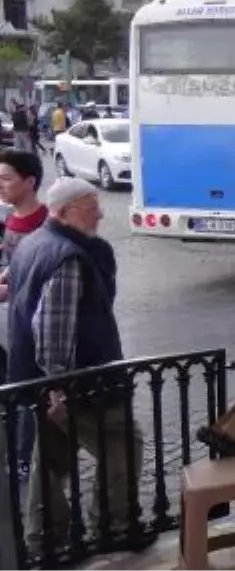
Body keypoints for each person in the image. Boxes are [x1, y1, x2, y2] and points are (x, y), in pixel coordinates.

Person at [6, 177, 146, 552]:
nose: (101, 213)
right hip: (81, 384)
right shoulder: (68, 256)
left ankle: (45, 538)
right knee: (122, 445)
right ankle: (114, 526)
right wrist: (57, 388)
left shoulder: (33, 243)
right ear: (66, 212)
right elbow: (54, 327)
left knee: (50, 459)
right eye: (91, 207)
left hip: (38, 381)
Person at [0, 149, 48, 480]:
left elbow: (42, 277)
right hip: (9, 324)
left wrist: (8, 289)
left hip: (34, 328)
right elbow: (12, 266)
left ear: (29, 182)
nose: (0, 184)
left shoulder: (47, 223)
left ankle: (25, 458)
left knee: (27, 391)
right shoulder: (10, 220)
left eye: (6, 178)